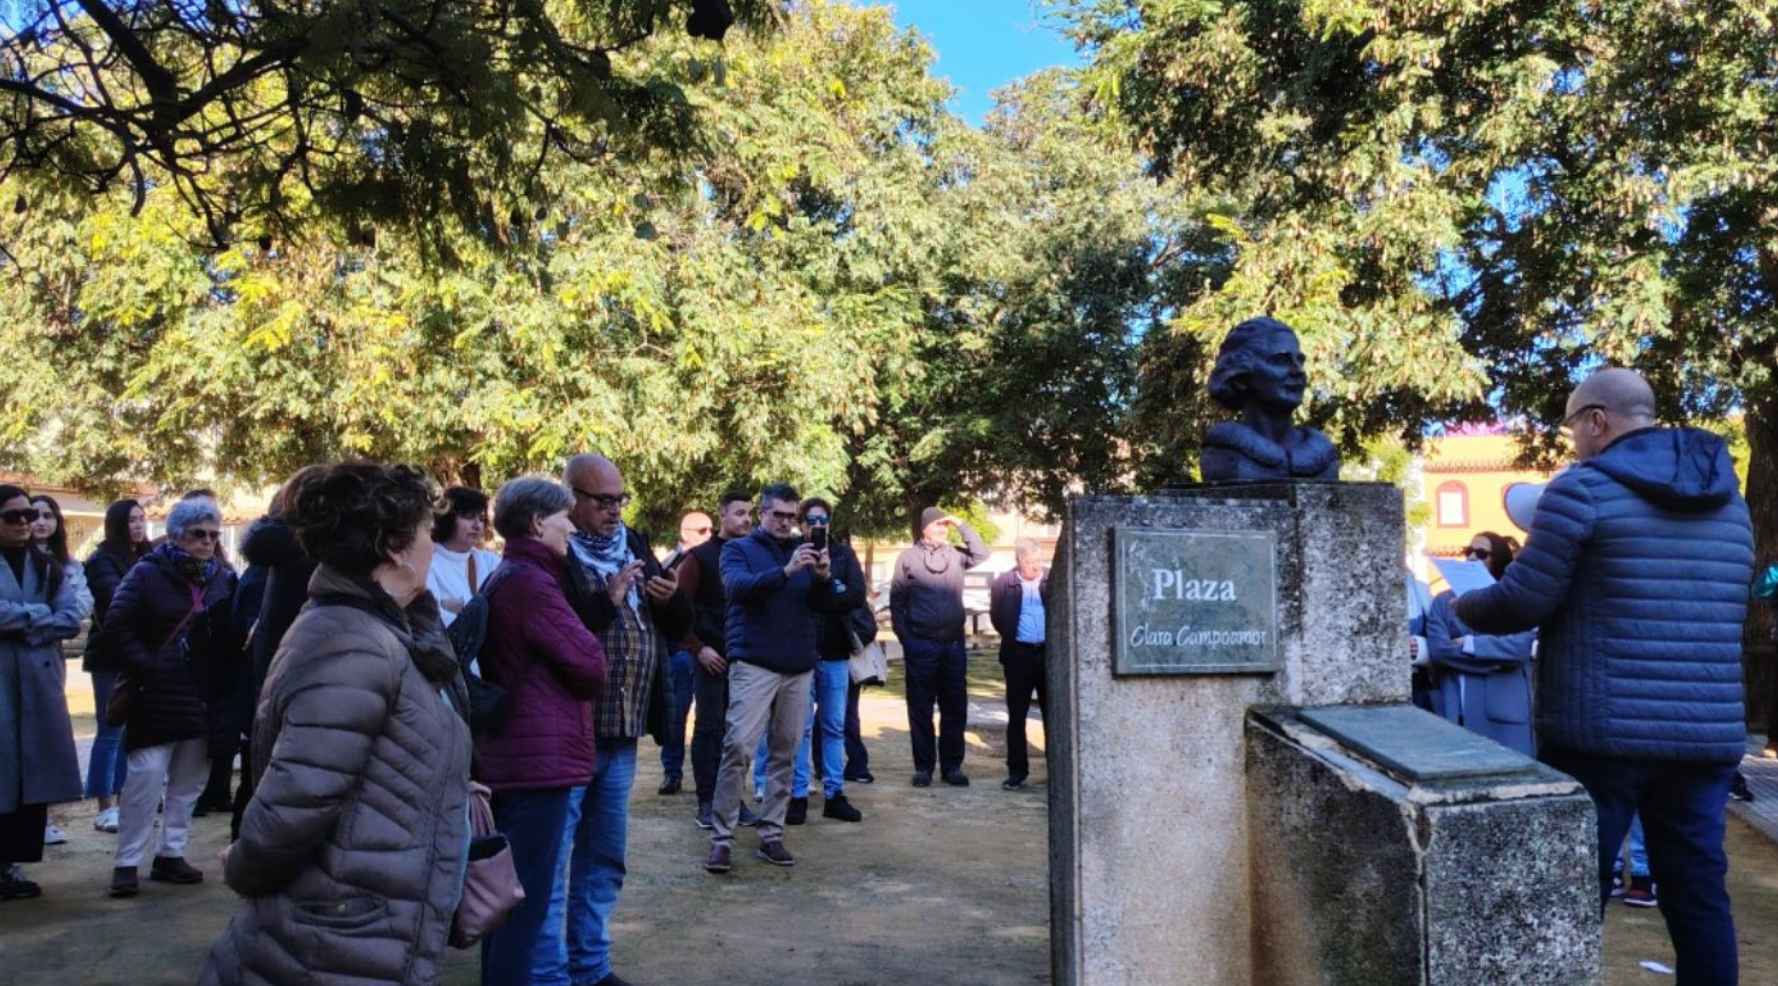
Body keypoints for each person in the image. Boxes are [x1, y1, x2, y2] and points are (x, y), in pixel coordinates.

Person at [1456, 367, 1752, 985]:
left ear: (1597, 421)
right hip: (1704, 735)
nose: (1572, 442)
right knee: (1698, 894)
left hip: (1602, 732)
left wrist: (1457, 603)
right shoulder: (1731, 501)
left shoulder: (1582, 488)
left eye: (1572, 427)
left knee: (1571, 890)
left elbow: (1521, 601)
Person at [200, 462, 472, 986]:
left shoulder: (385, 627)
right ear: (395, 547)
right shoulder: (352, 641)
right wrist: (243, 864)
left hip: (361, 927)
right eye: (424, 533)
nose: (431, 547)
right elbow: (295, 798)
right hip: (336, 935)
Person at [556, 453, 691, 986]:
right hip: (570, 729)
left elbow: (675, 626)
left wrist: (672, 599)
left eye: (619, 500)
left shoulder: (631, 543)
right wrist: (608, 600)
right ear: (571, 500)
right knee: (554, 859)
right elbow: (562, 630)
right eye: (602, 501)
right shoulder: (555, 551)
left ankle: (590, 966)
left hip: (624, 728)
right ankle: (549, 971)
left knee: (605, 857)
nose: (614, 511)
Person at [475, 477, 609, 986]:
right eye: (563, 519)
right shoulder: (531, 582)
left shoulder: (515, 574)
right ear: (536, 523)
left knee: (511, 902)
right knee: (523, 906)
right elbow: (589, 661)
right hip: (537, 762)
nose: (571, 528)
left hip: (522, 755)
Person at [96, 495, 242, 898]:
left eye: (213, 534)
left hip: (201, 694)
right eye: (199, 533)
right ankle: (126, 862)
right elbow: (117, 625)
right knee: (144, 779)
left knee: (188, 782)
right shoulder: (147, 573)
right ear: (177, 535)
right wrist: (148, 664)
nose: (208, 541)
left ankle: (170, 853)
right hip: (155, 694)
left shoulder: (222, 578)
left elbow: (228, 635)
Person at [705, 483, 845, 873]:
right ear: (762, 513)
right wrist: (785, 571)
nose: (785, 522)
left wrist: (821, 576)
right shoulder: (738, 549)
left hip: (798, 666)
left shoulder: (807, 551)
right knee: (738, 750)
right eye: (778, 515)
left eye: (791, 516)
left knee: (785, 753)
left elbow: (824, 607)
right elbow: (737, 589)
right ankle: (721, 838)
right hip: (754, 664)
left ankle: (772, 833)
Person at [0, 485, 88, 900]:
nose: (25, 523)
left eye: (27, 515)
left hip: (37, 682)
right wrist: (39, 616)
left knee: (30, 774)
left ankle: (10, 864)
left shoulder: (50, 567)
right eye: (13, 516)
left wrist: (19, 622)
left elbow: (71, 617)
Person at [229, 465, 326, 841]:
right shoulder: (302, 548)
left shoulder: (277, 551)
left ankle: (249, 836)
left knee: (269, 759)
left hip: (278, 667)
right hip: (295, 667)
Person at [890, 507, 989, 787]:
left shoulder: (956, 555)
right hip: (921, 644)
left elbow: (982, 554)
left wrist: (961, 523)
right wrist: (906, 640)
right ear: (924, 528)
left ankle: (952, 767)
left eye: (945, 525)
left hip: (953, 645)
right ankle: (923, 767)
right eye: (938, 525)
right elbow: (896, 602)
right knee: (921, 708)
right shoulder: (907, 558)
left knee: (955, 707)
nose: (943, 529)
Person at [1421, 532, 1537, 756]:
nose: (1472, 557)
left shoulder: (1516, 600)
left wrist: (1469, 645)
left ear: (1499, 559)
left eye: (1482, 553)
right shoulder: (1442, 602)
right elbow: (1439, 651)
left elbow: (1518, 648)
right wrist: (1495, 659)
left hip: (1505, 716)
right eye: (1468, 551)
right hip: (1455, 713)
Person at [678, 494, 754, 830]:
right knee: (710, 730)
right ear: (722, 514)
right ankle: (707, 801)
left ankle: (733, 799)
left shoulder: (754, 555)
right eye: (739, 513)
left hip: (747, 661)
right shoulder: (699, 558)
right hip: (711, 657)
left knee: (738, 734)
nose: (746, 519)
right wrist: (698, 649)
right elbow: (678, 610)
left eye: (750, 513)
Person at [789, 497, 866, 822]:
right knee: (800, 729)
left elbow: (855, 597)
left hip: (834, 652)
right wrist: (828, 590)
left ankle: (834, 793)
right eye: (811, 520)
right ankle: (798, 795)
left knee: (834, 725)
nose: (818, 525)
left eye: (824, 520)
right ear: (801, 524)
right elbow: (795, 599)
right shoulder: (792, 553)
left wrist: (827, 584)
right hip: (801, 653)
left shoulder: (844, 554)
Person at [82, 498, 150, 834]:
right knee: (110, 730)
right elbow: (114, 600)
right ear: (117, 523)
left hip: (141, 652)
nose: (138, 525)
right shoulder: (101, 559)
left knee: (132, 733)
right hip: (111, 656)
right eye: (132, 520)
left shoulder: (149, 555)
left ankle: (126, 801)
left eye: (142, 518)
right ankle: (103, 805)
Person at [27, 494, 91, 847]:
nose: (39, 522)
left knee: (47, 737)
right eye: (31, 515)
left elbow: (79, 607)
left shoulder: (68, 565)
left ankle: (46, 818)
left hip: (49, 658)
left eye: (47, 516)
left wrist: (33, 621)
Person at [657, 509, 714, 796]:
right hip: (679, 653)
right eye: (702, 531)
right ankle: (672, 773)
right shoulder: (670, 563)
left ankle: (705, 781)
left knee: (707, 721)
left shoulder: (716, 558)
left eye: (710, 530)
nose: (708, 535)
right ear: (685, 533)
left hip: (708, 651)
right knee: (675, 717)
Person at [988, 538, 1050, 790]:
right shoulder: (1004, 583)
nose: (1035, 566)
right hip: (1018, 656)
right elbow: (997, 617)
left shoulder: (1051, 580)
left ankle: (1055, 769)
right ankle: (1017, 771)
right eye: (1030, 562)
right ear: (1019, 561)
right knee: (1017, 716)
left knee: (1052, 714)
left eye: (1038, 561)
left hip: (1048, 654)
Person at [428, 486, 502, 628]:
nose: (477, 526)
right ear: (448, 518)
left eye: (481, 519)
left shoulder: (490, 561)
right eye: (468, 517)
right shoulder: (429, 564)